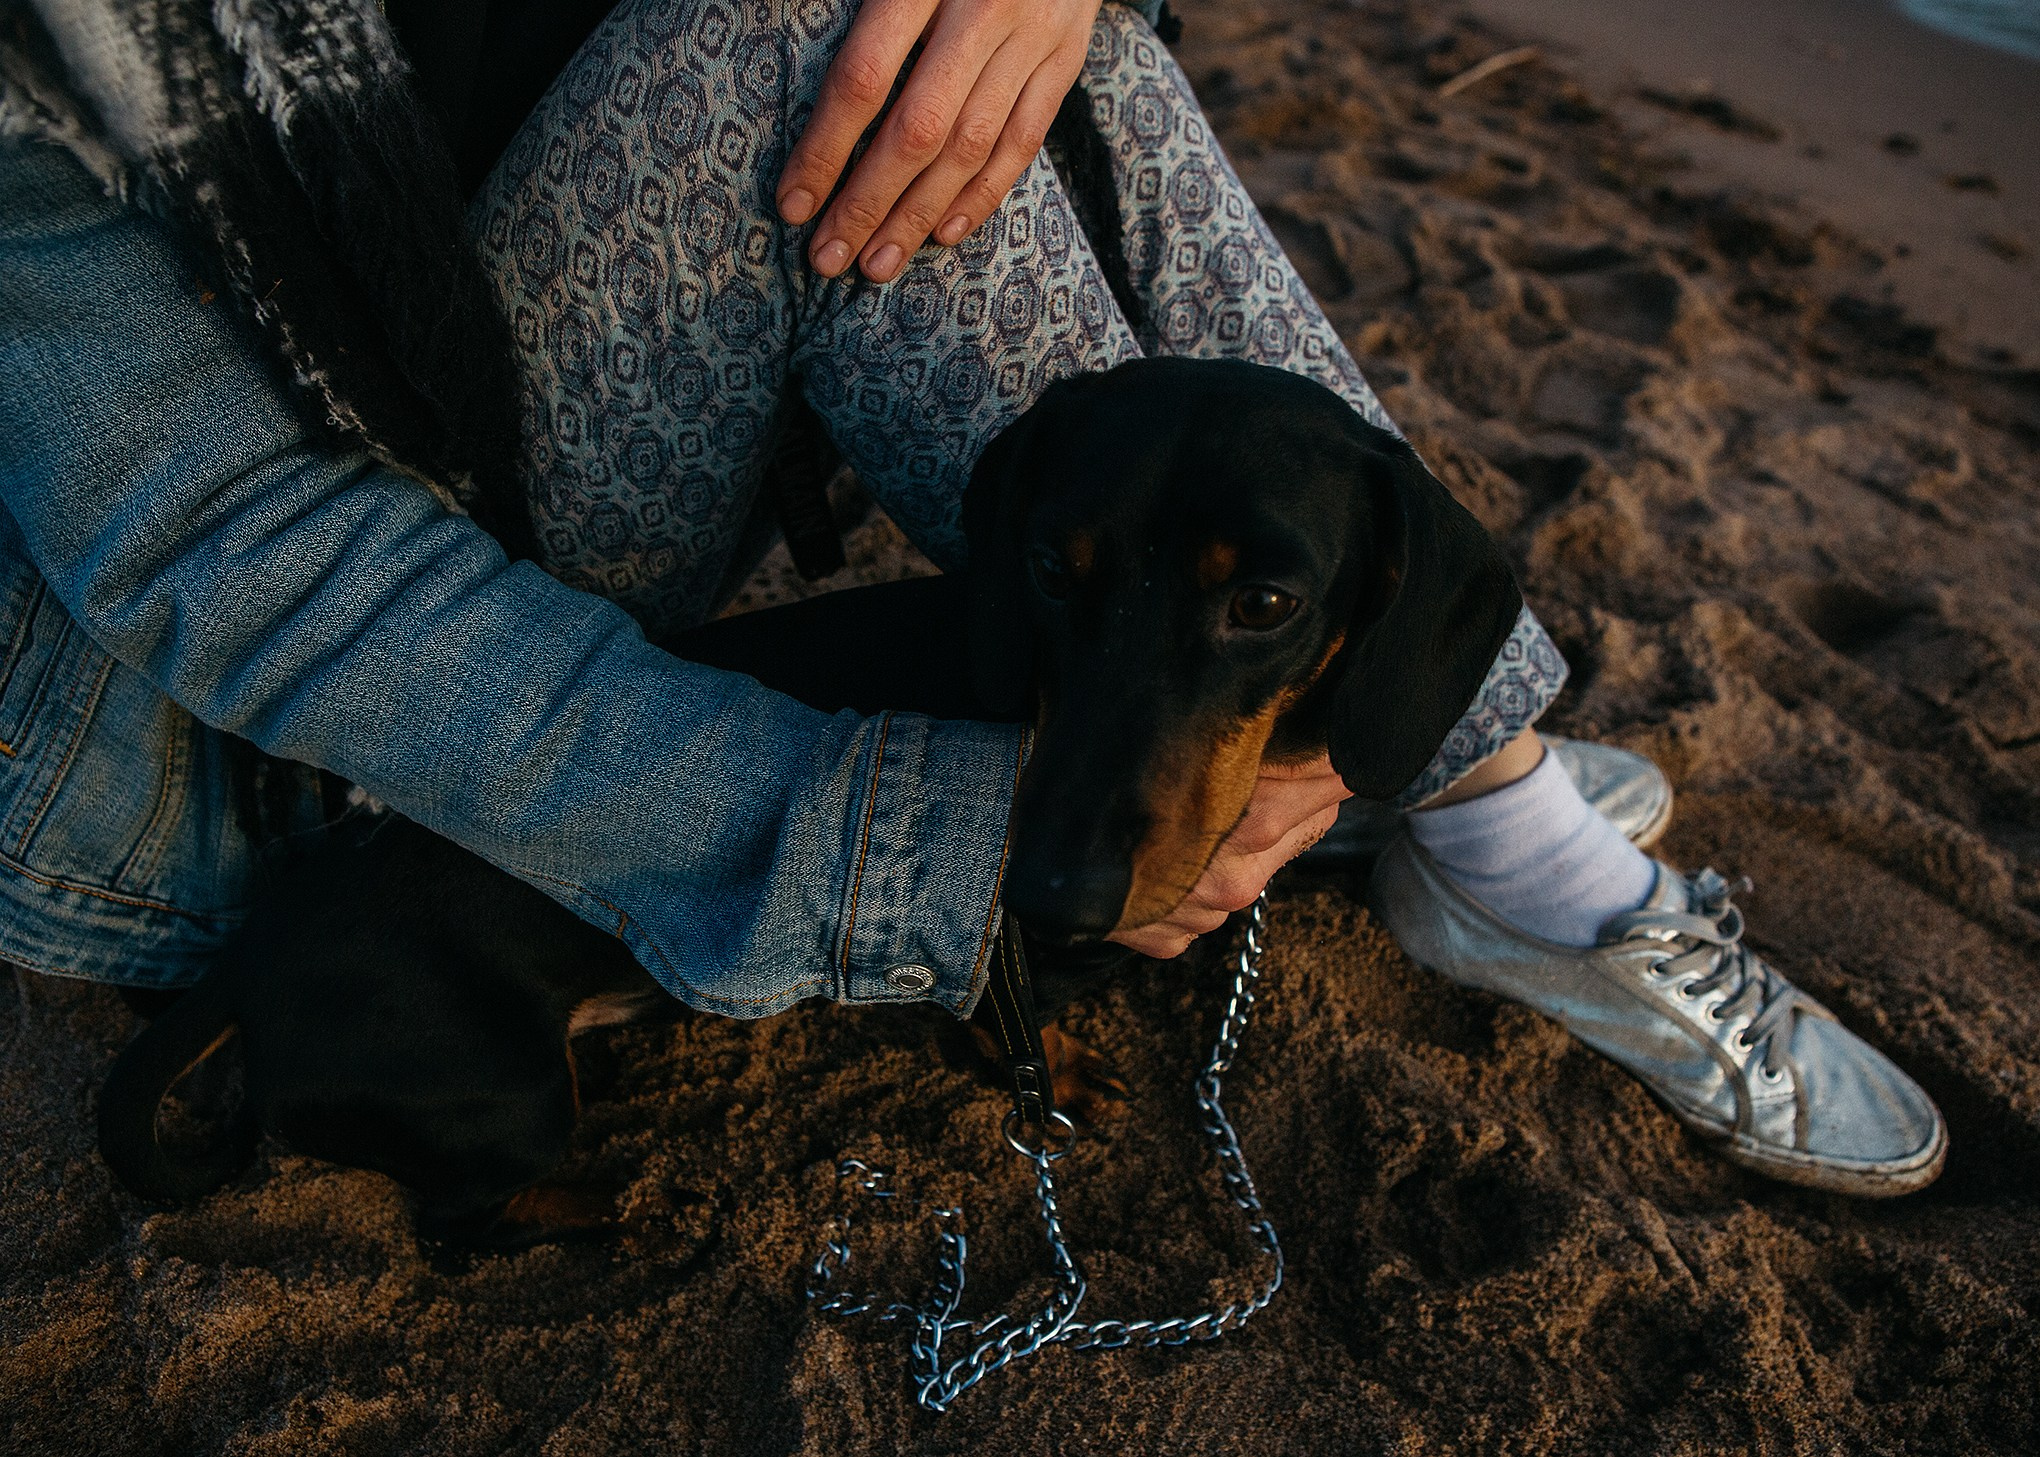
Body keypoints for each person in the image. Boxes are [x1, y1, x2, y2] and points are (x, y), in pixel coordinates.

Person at [0, 0, 1941, 1194]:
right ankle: (1483, 822)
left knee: (985, 41)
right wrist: (914, 845)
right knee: (832, 47)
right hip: (208, 754)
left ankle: (1448, 780)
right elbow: (228, 554)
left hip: (477, 453)